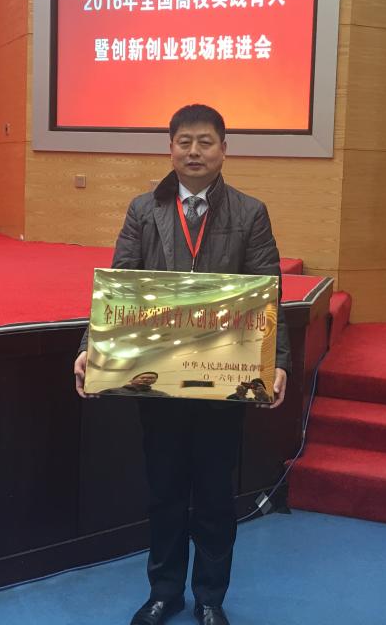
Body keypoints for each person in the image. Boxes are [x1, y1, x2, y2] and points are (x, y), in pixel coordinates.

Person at [74, 104, 291, 625]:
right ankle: (164, 592)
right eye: (184, 142)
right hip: (159, 380)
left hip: (223, 380)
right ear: (170, 148)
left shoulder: (250, 213)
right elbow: (120, 285)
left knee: (215, 495)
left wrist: (277, 360)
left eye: (205, 142)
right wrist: (91, 348)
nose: (194, 152)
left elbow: (268, 294)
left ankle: (210, 598)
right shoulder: (143, 210)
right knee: (165, 492)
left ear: (224, 149)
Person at [99, 371, 170, 397]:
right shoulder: (112, 391)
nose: (146, 379)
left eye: (150, 378)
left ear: (154, 381)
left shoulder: (161, 395)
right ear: (132, 380)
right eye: (142, 378)